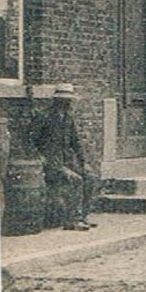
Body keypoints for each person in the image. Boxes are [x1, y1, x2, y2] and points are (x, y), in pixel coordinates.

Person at [35, 84, 100, 230]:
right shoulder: (44, 116)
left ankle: (82, 216)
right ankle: (72, 220)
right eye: (64, 100)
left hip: (66, 161)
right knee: (75, 180)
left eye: (69, 100)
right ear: (57, 101)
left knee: (90, 177)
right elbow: (30, 141)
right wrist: (41, 158)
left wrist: (84, 163)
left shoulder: (68, 118)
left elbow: (76, 142)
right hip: (50, 162)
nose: (68, 103)